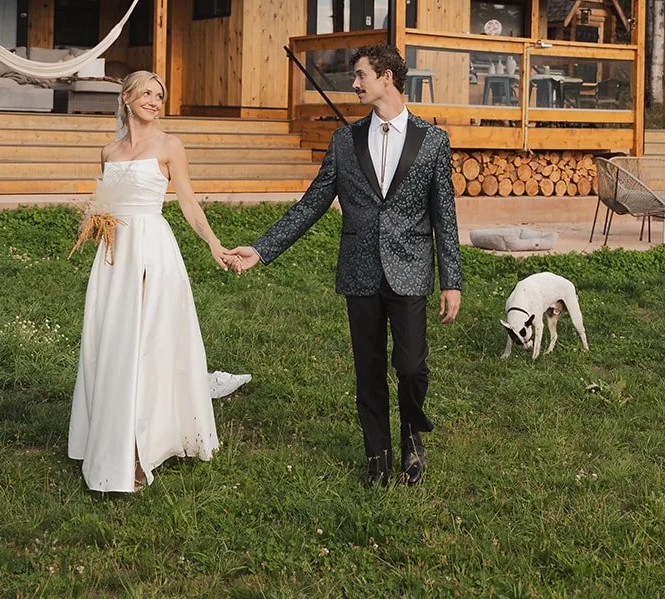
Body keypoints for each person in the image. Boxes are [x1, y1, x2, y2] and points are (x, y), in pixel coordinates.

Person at [227, 43, 461, 487]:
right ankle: (377, 456)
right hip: (359, 270)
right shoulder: (344, 141)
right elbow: (312, 204)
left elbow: (444, 215)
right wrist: (261, 249)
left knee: (411, 365)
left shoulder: (432, 141)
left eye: (360, 76)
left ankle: (412, 436)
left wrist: (452, 280)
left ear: (386, 77)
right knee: (367, 369)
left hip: (411, 269)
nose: (353, 84)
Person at [68, 70, 238, 493]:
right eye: (145, 93)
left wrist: (214, 244)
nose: (153, 101)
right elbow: (104, 202)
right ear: (126, 98)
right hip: (113, 259)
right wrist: (92, 223)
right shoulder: (108, 152)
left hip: (151, 253)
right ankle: (108, 436)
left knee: (143, 345)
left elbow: (188, 203)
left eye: (159, 95)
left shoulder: (169, 146)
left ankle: (141, 450)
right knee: (112, 344)